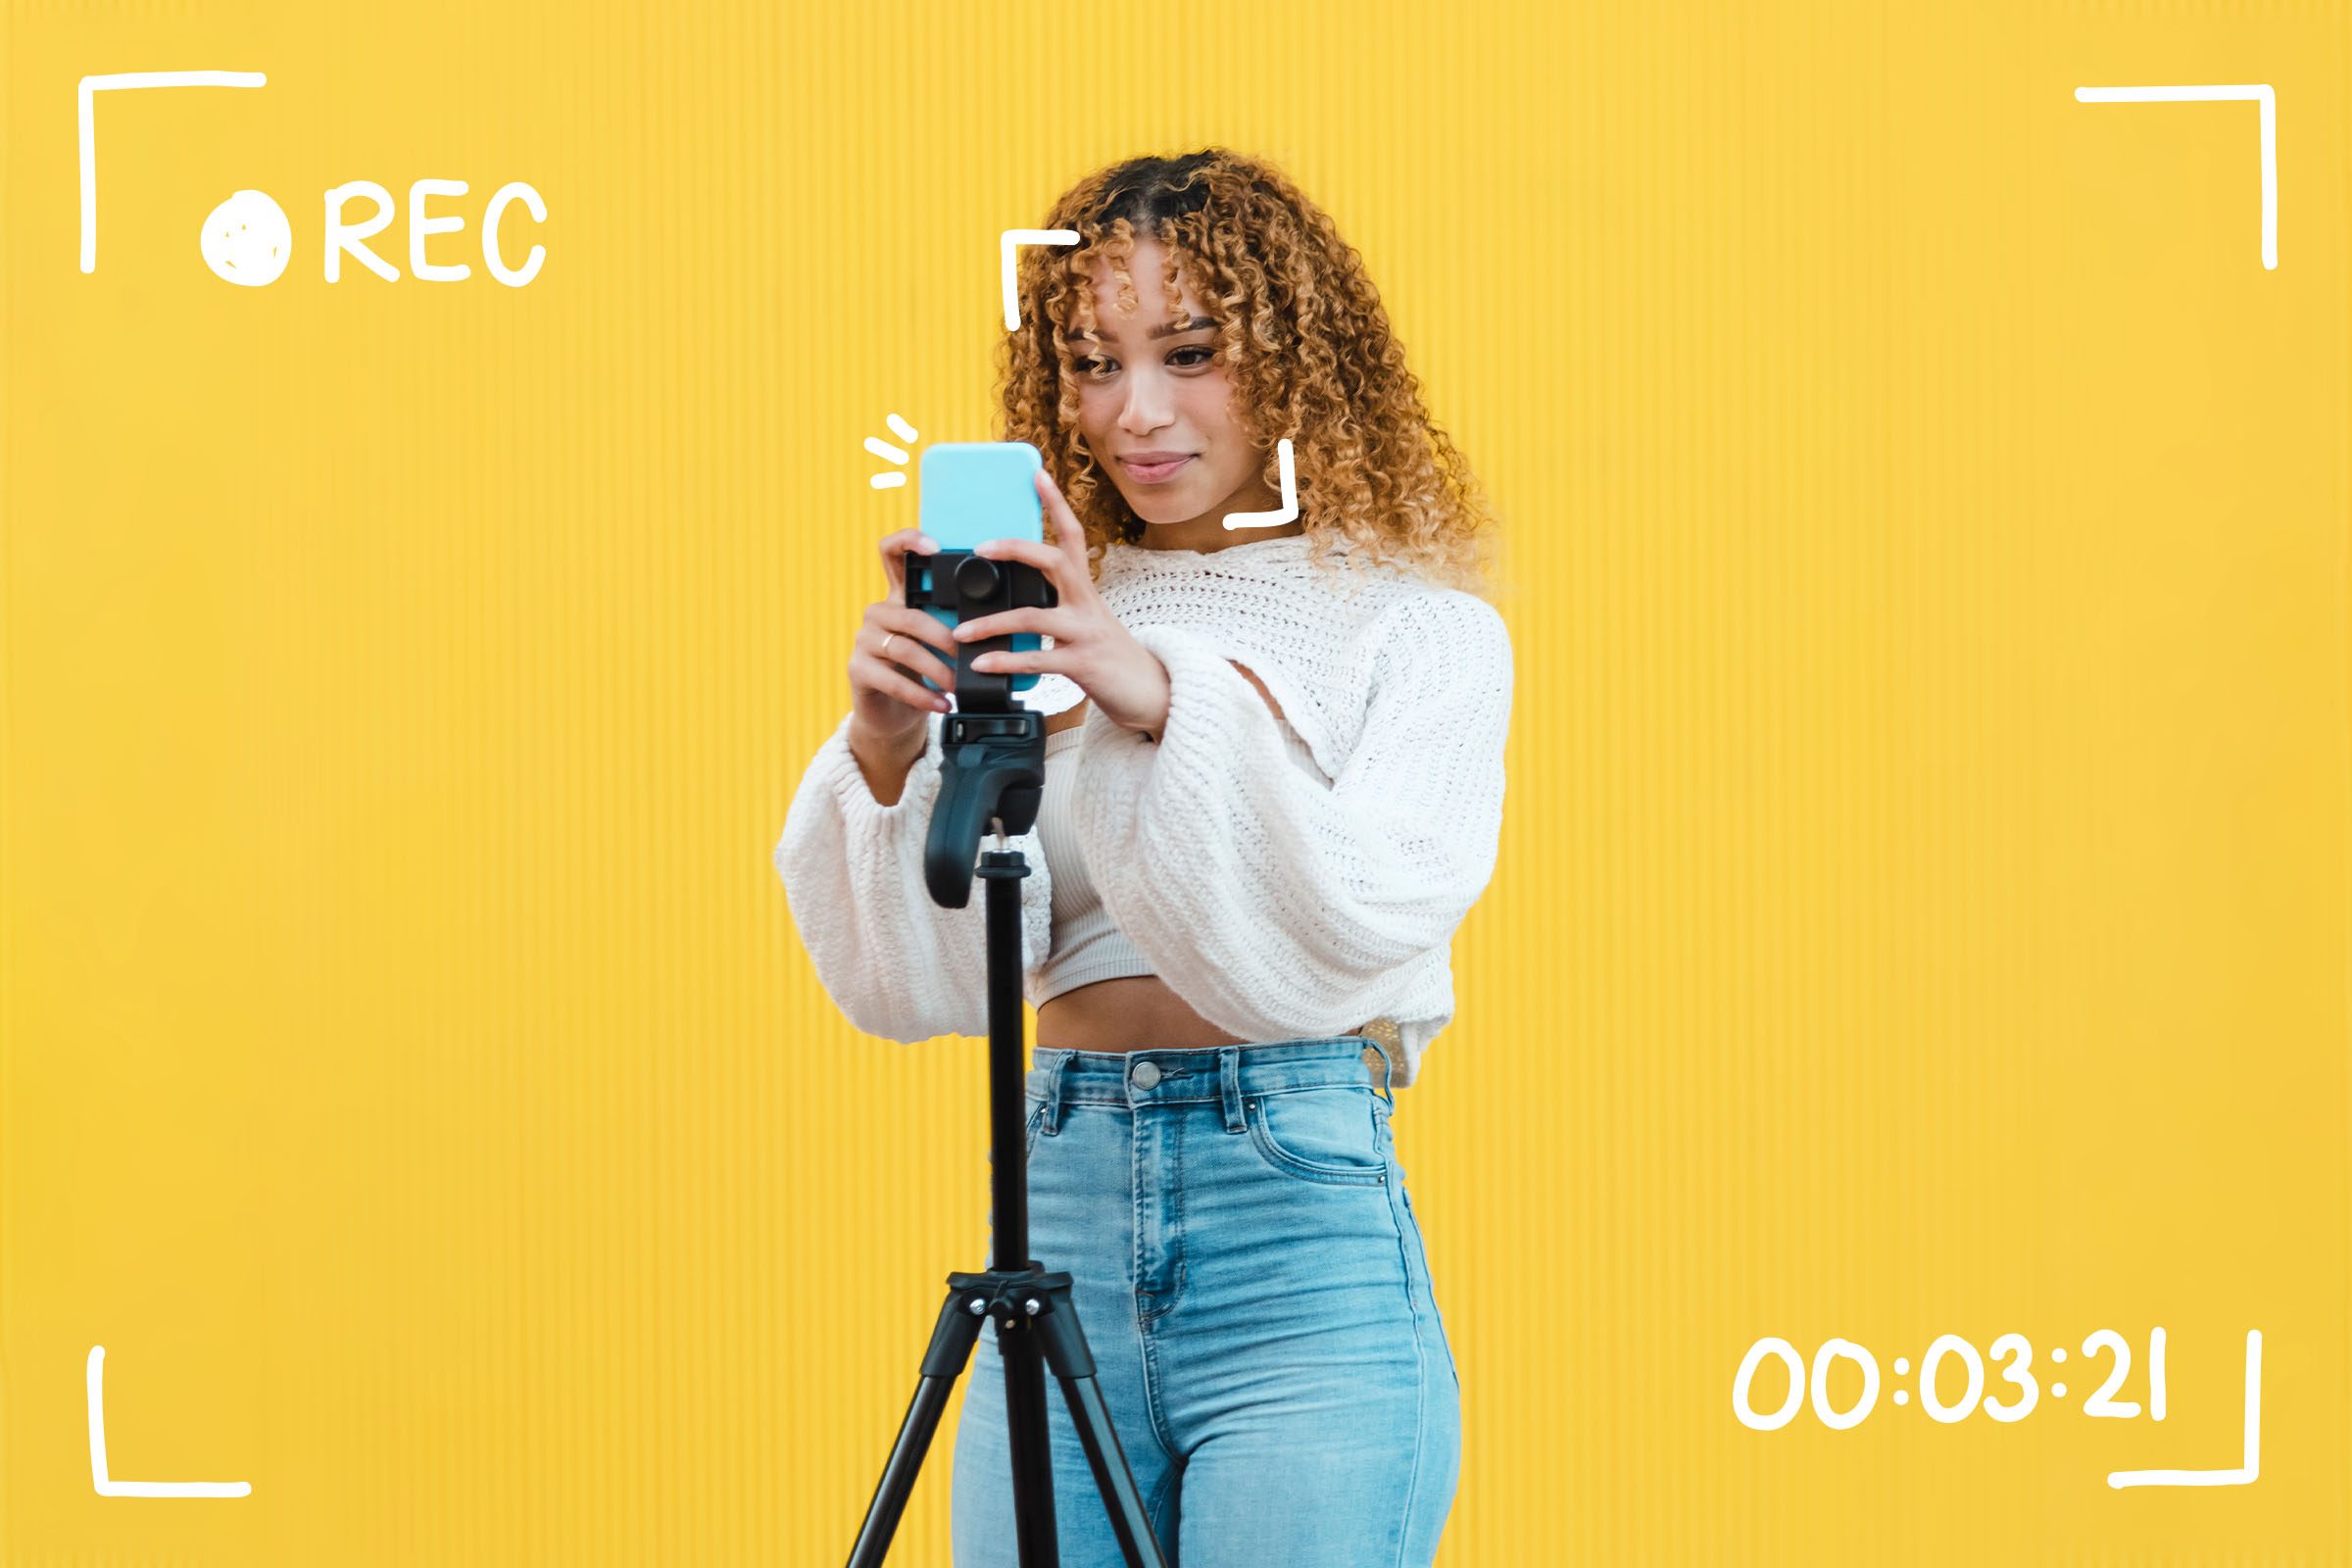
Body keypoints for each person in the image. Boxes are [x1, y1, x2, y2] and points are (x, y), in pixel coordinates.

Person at [772, 147, 1513, 1567]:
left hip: (1293, 1233)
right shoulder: (1045, 618)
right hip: (1052, 1204)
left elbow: (1373, 913)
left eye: (1190, 353)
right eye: (1094, 365)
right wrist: (882, 748)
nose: (1138, 413)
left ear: (1296, 365)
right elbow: (913, 986)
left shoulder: (1418, 631)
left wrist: (1156, 687)